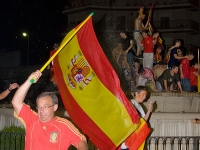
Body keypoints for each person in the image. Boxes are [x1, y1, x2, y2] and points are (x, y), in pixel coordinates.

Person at [11, 70, 88, 150]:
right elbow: (16, 102)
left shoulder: (64, 125)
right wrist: (29, 81)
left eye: (45, 106)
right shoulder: (32, 119)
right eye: (39, 107)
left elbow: (81, 141)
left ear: (55, 107)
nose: (41, 110)